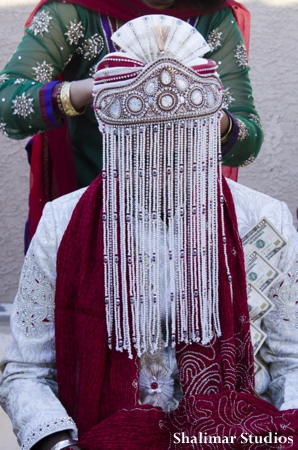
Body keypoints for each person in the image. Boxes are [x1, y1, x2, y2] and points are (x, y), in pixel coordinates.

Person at [0, 15, 298, 450]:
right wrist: (59, 444)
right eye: (145, 139)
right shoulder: (61, 223)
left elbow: (291, 361)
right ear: (114, 136)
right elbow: (27, 373)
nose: (164, 157)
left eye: (183, 137)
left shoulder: (263, 220)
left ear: (208, 132)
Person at [0, 0, 263, 246]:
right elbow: (8, 101)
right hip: (91, 209)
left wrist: (206, 112)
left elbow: (247, 142)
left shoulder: (213, 14)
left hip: (186, 227)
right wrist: (96, 88)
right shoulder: (74, 9)